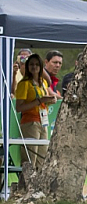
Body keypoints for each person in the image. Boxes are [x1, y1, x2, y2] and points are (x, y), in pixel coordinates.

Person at [13, 54, 56, 183]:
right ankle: (26, 186)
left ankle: (39, 187)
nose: (34, 67)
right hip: (30, 122)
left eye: (37, 64)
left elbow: (43, 100)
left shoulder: (42, 82)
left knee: (42, 157)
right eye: (31, 64)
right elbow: (19, 107)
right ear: (27, 67)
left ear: (41, 67)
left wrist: (49, 100)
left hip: (43, 122)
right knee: (30, 157)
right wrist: (38, 101)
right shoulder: (24, 83)